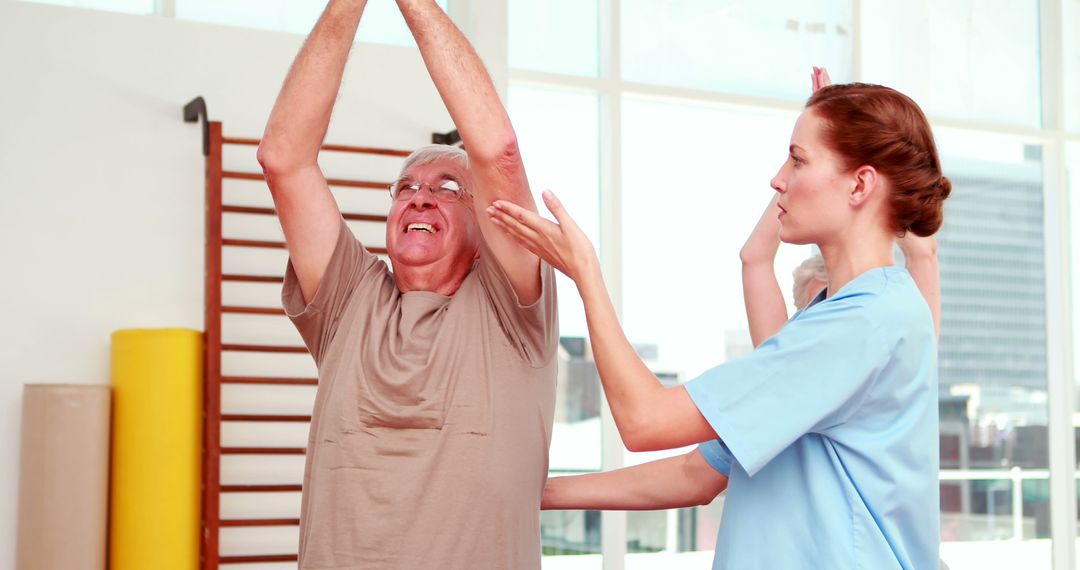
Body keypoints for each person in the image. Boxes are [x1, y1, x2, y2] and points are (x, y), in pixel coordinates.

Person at [487, 70, 950, 568]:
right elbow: (698, 473)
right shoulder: (839, 322)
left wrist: (586, 276)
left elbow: (644, 421)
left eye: (797, 160)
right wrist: (534, 493)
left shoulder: (864, 326)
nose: (778, 180)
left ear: (860, 183)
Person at [257, 1, 557, 567]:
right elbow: (283, 159)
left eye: (448, 188)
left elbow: (496, 150)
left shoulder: (514, 310)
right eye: (406, 187)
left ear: (487, 223)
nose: (420, 195)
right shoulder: (349, 300)